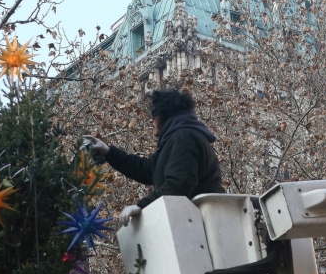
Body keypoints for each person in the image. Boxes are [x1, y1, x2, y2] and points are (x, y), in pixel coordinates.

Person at [84, 89, 225, 226]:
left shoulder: (183, 138)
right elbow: (145, 169)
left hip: (199, 226)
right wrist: (108, 151)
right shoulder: (177, 138)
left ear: (164, 115)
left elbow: (178, 185)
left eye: (154, 115)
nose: (151, 121)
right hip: (197, 222)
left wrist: (141, 206)